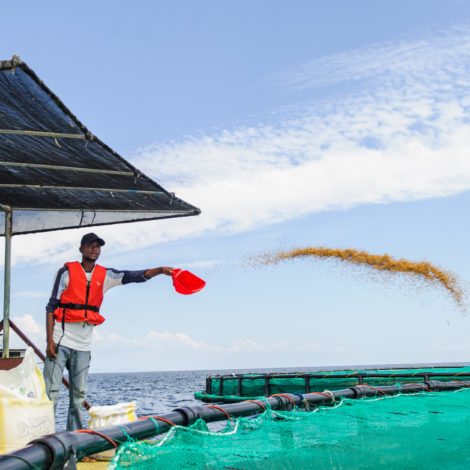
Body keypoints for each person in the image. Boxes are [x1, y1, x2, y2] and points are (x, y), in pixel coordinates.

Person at [44, 232, 174, 431]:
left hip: (83, 347)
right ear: (81, 249)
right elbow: (51, 308)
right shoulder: (66, 272)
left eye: (98, 246)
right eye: (90, 245)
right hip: (60, 342)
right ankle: (45, 442)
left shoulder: (105, 275)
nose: (94, 249)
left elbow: (134, 276)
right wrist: (49, 342)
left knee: (78, 397)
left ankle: (75, 442)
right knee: (50, 393)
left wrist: (160, 270)